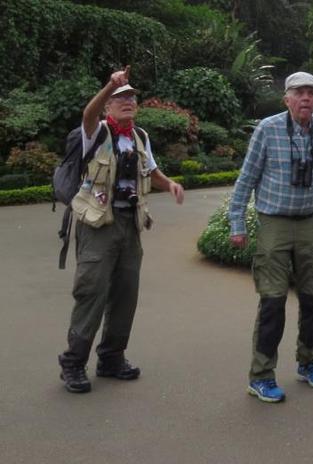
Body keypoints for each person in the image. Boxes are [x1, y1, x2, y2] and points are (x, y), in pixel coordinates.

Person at [58, 66, 186, 393]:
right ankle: (73, 363)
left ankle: (111, 358)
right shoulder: (96, 132)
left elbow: (152, 173)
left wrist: (169, 184)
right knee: (91, 293)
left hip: (131, 225)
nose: (127, 101)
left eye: (131, 97)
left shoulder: (140, 137)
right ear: (107, 107)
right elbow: (87, 113)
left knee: (125, 294)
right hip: (98, 224)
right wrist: (108, 85)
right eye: (120, 98)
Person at [228, 72, 313, 403]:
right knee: (273, 301)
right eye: (299, 92)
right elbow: (247, 176)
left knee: (311, 297)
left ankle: (308, 362)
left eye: (312, 92)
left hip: (309, 223)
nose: (306, 98)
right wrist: (237, 222)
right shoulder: (268, 128)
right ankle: (261, 375)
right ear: (286, 99)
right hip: (274, 221)